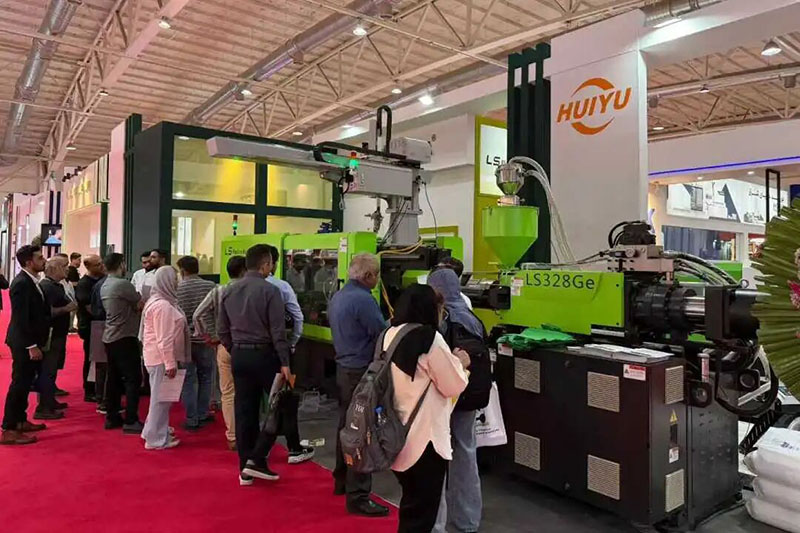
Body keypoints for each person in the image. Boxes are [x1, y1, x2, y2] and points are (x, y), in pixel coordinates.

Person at [388, 284, 469, 533]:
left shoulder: (389, 334)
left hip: (395, 432)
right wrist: (461, 363)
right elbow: (453, 385)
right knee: (422, 515)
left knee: (411, 506)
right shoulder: (430, 338)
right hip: (426, 440)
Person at [218, 244, 291, 485]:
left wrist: (234, 348)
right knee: (280, 407)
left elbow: (222, 329)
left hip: (239, 355)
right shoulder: (271, 291)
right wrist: (285, 362)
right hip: (265, 355)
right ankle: (257, 458)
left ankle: (244, 469)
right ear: (266, 265)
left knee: (244, 411)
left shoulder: (228, 290)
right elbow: (278, 331)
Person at [328, 253, 390, 517]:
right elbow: (380, 334)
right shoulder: (364, 300)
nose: (377, 280)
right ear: (368, 276)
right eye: (376, 275)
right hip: (362, 372)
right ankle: (359, 495)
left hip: (344, 368)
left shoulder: (339, 296)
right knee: (363, 432)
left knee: (347, 426)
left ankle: (342, 479)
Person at [429, 268, 488, 533]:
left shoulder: (442, 319)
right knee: (466, 453)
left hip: (445, 397)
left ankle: (437, 524)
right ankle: (467, 520)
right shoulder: (472, 318)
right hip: (470, 397)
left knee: (437, 458)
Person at [266, 245, 313, 464]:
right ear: (273, 264)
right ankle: (293, 448)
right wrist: (292, 344)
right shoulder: (281, 286)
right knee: (285, 399)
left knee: (252, 401)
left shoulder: (235, 287)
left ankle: (254, 449)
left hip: (248, 353)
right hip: (281, 354)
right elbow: (298, 317)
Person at [193, 256, 246, 451]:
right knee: (248, 391)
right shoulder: (252, 290)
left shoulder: (219, 291)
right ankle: (248, 432)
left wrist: (208, 336)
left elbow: (198, 314)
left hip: (224, 345)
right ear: (244, 270)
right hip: (248, 346)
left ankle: (232, 436)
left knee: (228, 392)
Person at [1, 245, 50, 445]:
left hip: (30, 339)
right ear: (29, 262)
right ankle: (9, 428)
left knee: (25, 381)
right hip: (23, 342)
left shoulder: (31, 280)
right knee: (19, 384)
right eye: (40, 258)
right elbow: (21, 318)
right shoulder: (21, 283)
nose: (44, 260)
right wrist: (31, 345)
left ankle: (20, 420)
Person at [141, 266, 189, 450]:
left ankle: (153, 430)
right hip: (161, 359)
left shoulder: (159, 301)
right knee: (161, 400)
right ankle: (155, 439)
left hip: (156, 357)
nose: (177, 283)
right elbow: (164, 339)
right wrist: (170, 363)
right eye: (174, 279)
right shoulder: (163, 306)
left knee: (160, 399)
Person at [100, 253, 144, 433]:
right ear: (121, 264)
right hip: (124, 336)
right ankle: (131, 419)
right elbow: (139, 301)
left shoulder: (105, 284)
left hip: (110, 336)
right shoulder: (122, 284)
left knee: (114, 378)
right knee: (133, 378)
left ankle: (112, 416)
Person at [176, 255, 216, 431]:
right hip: (206, 338)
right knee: (206, 377)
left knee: (188, 379)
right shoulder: (210, 286)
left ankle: (191, 418)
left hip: (185, 340)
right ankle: (203, 413)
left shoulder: (178, 288)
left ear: (183, 270)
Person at [35, 256, 77, 420]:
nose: (67, 269)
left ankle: (49, 400)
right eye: (64, 266)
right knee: (47, 370)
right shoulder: (48, 287)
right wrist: (67, 308)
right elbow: (47, 311)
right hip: (51, 334)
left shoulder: (56, 285)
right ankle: (44, 406)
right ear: (55, 269)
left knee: (52, 370)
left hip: (58, 333)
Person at [75, 255, 105, 402]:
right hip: (90, 326)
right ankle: (89, 390)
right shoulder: (84, 284)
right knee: (91, 359)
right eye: (97, 264)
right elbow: (89, 307)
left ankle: (100, 387)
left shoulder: (102, 279)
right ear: (88, 267)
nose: (101, 266)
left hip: (101, 325)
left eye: (101, 263)